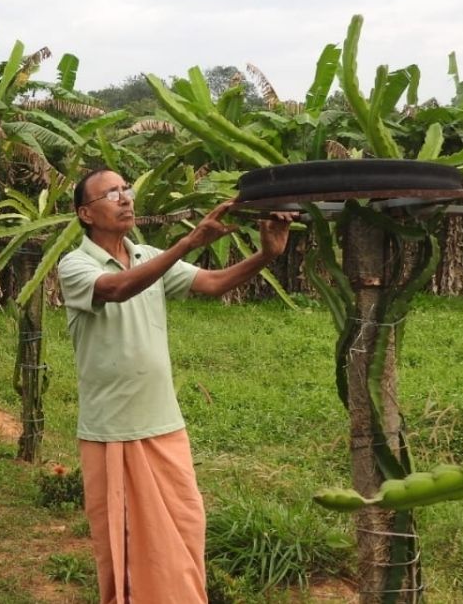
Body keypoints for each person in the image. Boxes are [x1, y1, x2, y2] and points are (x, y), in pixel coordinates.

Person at [58, 169, 295, 603]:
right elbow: (115, 289)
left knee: (185, 532)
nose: (125, 198)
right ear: (85, 213)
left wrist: (266, 255)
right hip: (112, 431)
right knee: (127, 548)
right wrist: (187, 243)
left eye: (127, 189)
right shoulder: (75, 265)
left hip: (164, 426)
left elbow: (213, 282)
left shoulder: (148, 255)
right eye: (111, 193)